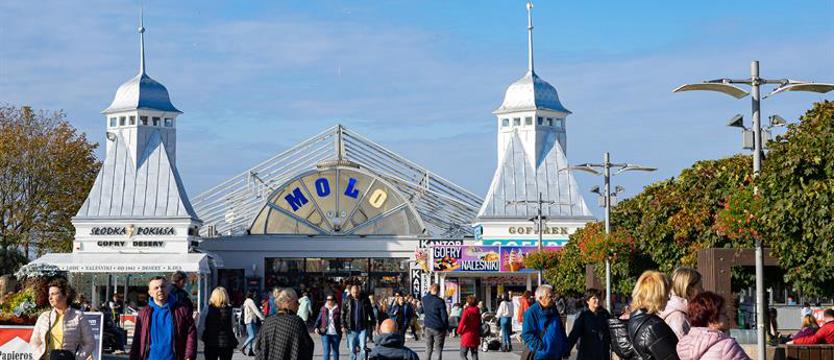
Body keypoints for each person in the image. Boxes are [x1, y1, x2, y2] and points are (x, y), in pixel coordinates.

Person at [130, 276, 197, 360]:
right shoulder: (143, 314)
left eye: (162, 286)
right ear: (150, 293)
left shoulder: (181, 310)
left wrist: (189, 355)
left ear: (168, 289)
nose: (160, 290)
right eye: (156, 288)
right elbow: (137, 339)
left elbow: (191, 334)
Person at [29, 279, 96, 360]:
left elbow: (90, 343)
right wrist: (38, 355)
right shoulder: (44, 317)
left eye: (54, 294)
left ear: (65, 295)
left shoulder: (78, 316)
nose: (50, 298)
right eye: (49, 294)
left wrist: (76, 358)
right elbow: (34, 341)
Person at [676, 292, 750, 360]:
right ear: (711, 319)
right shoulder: (727, 346)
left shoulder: (686, 346)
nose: (728, 317)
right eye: (724, 314)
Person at [626, 270, 679, 360]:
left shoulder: (636, 319)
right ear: (658, 295)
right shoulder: (653, 327)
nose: (668, 298)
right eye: (667, 293)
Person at [255, 288, 314, 360]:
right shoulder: (296, 322)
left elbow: (258, 348)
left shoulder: (267, 321)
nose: (298, 305)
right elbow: (307, 347)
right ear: (288, 302)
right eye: (297, 302)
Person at [521, 285, 568, 360]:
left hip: (556, 354)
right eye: (550, 297)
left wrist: (565, 347)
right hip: (541, 355)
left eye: (553, 296)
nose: (553, 299)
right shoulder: (531, 312)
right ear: (540, 298)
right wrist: (540, 348)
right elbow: (527, 334)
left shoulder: (554, 310)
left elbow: (561, 330)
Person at [566, 288, 611, 360]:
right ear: (587, 301)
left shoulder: (604, 314)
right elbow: (574, 334)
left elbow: (611, 333)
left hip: (603, 353)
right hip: (587, 353)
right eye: (594, 298)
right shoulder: (583, 314)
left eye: (598, 297)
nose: (597, 300)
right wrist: (566, 350)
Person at [197, 287, 238, 360]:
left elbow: (201, 326)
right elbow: (233, 326)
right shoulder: (230, 310)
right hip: (226, 343)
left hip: (210, 342)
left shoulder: (207, 309)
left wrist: (202, 338)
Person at [661, 267, 702, 340]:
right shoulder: (678, 318)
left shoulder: (684, 313)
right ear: (689, 289)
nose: (703, 291)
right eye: (700, 287)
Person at [342, 285, 376, 360]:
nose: (355, 294)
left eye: (357, 292)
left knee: (363, 347)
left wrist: (374, 323)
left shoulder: (365, 300)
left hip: (362, 328)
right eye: (354, 292)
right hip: (351, 328)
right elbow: (343, 313)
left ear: (359, 291)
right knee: (352, 348)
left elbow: (371, 311)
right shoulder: (347, 300)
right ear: (351, 292)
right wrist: (343, 325)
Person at [422, 284, 449, 360]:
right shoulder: (440, 301)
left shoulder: (424, 299)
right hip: (438, 328)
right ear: (438, 291)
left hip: (428, 326)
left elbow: (423, 309)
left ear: (430, 289)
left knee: (428, 348)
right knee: (438, 349)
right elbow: (444, 316)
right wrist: (446, 327)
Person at [315, 295, 342, 360]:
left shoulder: (338, 309)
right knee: (326, 351)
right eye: (327, 300)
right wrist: (316, 327)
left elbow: (342, 319)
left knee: (335, 351)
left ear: (334, 300)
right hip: (325, 333)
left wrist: (343, 326)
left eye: (330, 300)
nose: (329, 301)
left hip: (336, 333)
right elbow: (319, 319)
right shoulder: (323, 308)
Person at [241, 289, 265, 356]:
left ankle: (250, 350)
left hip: (249, 320)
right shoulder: (250, 301)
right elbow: (256, 310)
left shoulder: (246, 301)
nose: (255, 295)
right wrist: (262, 318)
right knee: (252, 335)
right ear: (251, 294)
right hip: (250, 320)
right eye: (254, 293)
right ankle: (243, 347)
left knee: (251, 335)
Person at [457, 296, 482, 360]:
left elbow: (462, 322)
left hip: (467, 334)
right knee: (474, 354)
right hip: (475, 334)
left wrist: (459, 331)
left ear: (468, 303)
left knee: (462, 354)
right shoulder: (478, 311)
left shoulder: (467, 311)